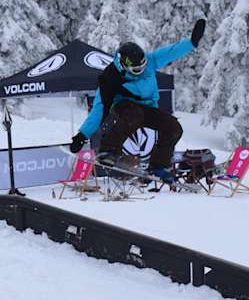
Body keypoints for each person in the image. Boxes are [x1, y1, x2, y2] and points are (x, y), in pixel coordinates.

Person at [70, 19, 206, 184]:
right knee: (135, 114)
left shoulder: (150, 61)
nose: (140, 73)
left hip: (147, 109)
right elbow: (99, 109)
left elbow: (170, 52)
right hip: (124, 109)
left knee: (173, 127)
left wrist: (191, 42)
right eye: (135, 71)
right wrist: (82, 135)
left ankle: (158, 166)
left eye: (142, 68)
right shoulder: (110, 79)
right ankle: (108, 151)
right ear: (123, 66)